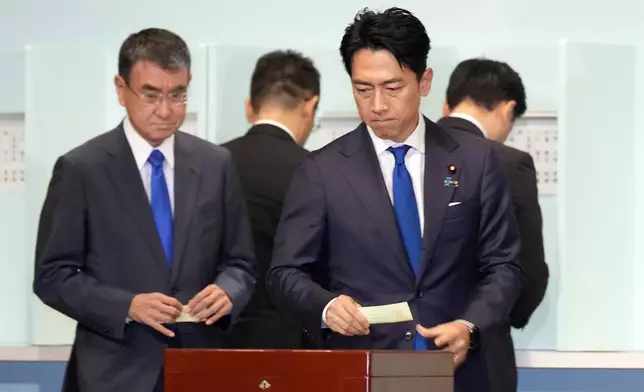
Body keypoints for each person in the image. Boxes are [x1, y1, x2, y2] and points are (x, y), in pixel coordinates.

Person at [266, 7, 522, 392]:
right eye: (363, 89)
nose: (377, 105)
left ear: (424, 82)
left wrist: (469, 325)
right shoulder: (321, 171)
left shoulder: (475, 160)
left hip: (459, 372)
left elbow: (505, 266)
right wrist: (326, 307)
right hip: (362, 371)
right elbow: (284, 274)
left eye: (393, 87)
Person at [32, 28, 256, 392]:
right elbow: (52, 276)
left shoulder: (216, 164)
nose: (165, 110)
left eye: (178, 95)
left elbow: (241, 263)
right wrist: (127, 305)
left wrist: (228, 291)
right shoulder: (81, 169)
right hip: (113, 373)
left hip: (199, 366)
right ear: (122, 90)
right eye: (151, 95)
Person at [438, 58, 549, 392]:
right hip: (479, 350)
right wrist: (503, 316)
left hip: (401, 349)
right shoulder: (508, 163)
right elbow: (527, 267)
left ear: (448, 104)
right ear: (507, 108)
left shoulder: (402, 154)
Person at [222, 50, 321, 348]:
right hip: (291, 345)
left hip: (213, 341)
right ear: (310, 105)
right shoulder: (315, 171)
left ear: (249, 107)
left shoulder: (210, 164)